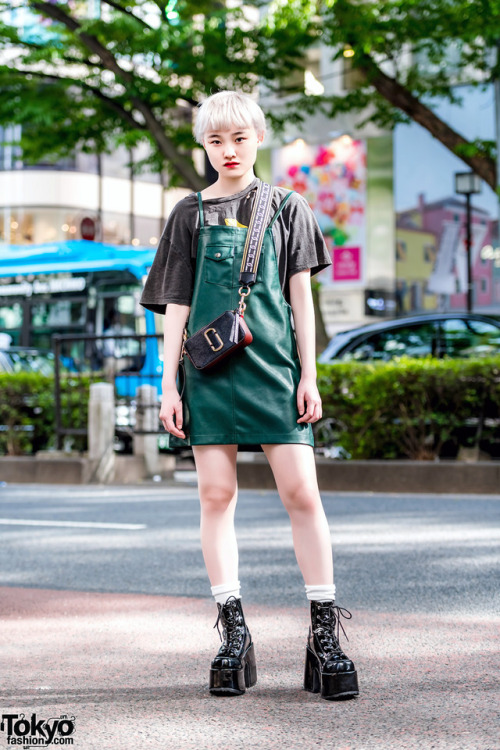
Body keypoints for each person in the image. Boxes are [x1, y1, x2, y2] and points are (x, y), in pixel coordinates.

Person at [140, 91, 359, 701]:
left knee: (302, 492)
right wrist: (167, 385)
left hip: (274, 368)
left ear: (258, 137)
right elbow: (176, 307)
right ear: (203, 145)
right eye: (215, 141)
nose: (228, 151)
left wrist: (308, 375)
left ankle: (324, 634)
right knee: (216, 495)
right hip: (207, 372)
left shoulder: (290, 207)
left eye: (238, 138)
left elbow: (301, 302)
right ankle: (233, 633)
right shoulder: (187, 214)